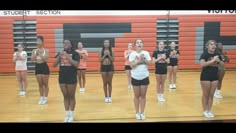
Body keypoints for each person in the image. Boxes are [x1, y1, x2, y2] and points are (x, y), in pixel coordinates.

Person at [53, 39, 80, 122]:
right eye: (64, 43)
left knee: (71, 96)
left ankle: (71, 114)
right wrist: (59, 57)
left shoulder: (75, 54)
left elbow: (76, 65)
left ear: (71, 45)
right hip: (62, 77)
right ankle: (67, 114)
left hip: (71, 77)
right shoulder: (60, 53)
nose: (65, 44)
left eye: (67, 43)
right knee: (65, 96)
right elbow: (54, 65)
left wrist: (68, 57)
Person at [199, 40, 224, 118]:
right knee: (205, 95)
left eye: (214, 45)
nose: (213, 46)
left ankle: (209, 110)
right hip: (205, 76)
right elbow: (202, 64)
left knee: (211, 95)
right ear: (207, 46)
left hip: (214, 76)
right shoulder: (204, 54)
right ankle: (205, 110)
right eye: (211, 44)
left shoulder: (217, 54)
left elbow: (222, 65)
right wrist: (213, 60)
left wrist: (218, 61)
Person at [129, 39, 151, 120]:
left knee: (143, 96)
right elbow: (131, 66)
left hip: (144, 77)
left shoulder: (146, 53)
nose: (139, 44)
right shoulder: (132, 54)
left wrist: (144, 59)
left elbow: (150, 63)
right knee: (136, 96)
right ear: (135, 45)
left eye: (141, 42)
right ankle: (137, 112)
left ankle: (142, 112)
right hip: (135, 77)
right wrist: (138, 60)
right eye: (137, 43)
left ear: (142, 44)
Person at [31, 36, 50, 105]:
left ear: (42, 42)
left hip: (44, 67)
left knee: (45, 84)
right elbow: (32, 60)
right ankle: (41, 97)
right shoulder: (34, 50)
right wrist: (36, 54)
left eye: (39, 41)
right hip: (37, 67)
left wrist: (40, 54)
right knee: (40, 84)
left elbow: (45, 59)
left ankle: (45, 98)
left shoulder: (46, 50)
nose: (38, 42)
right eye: (37, 41)